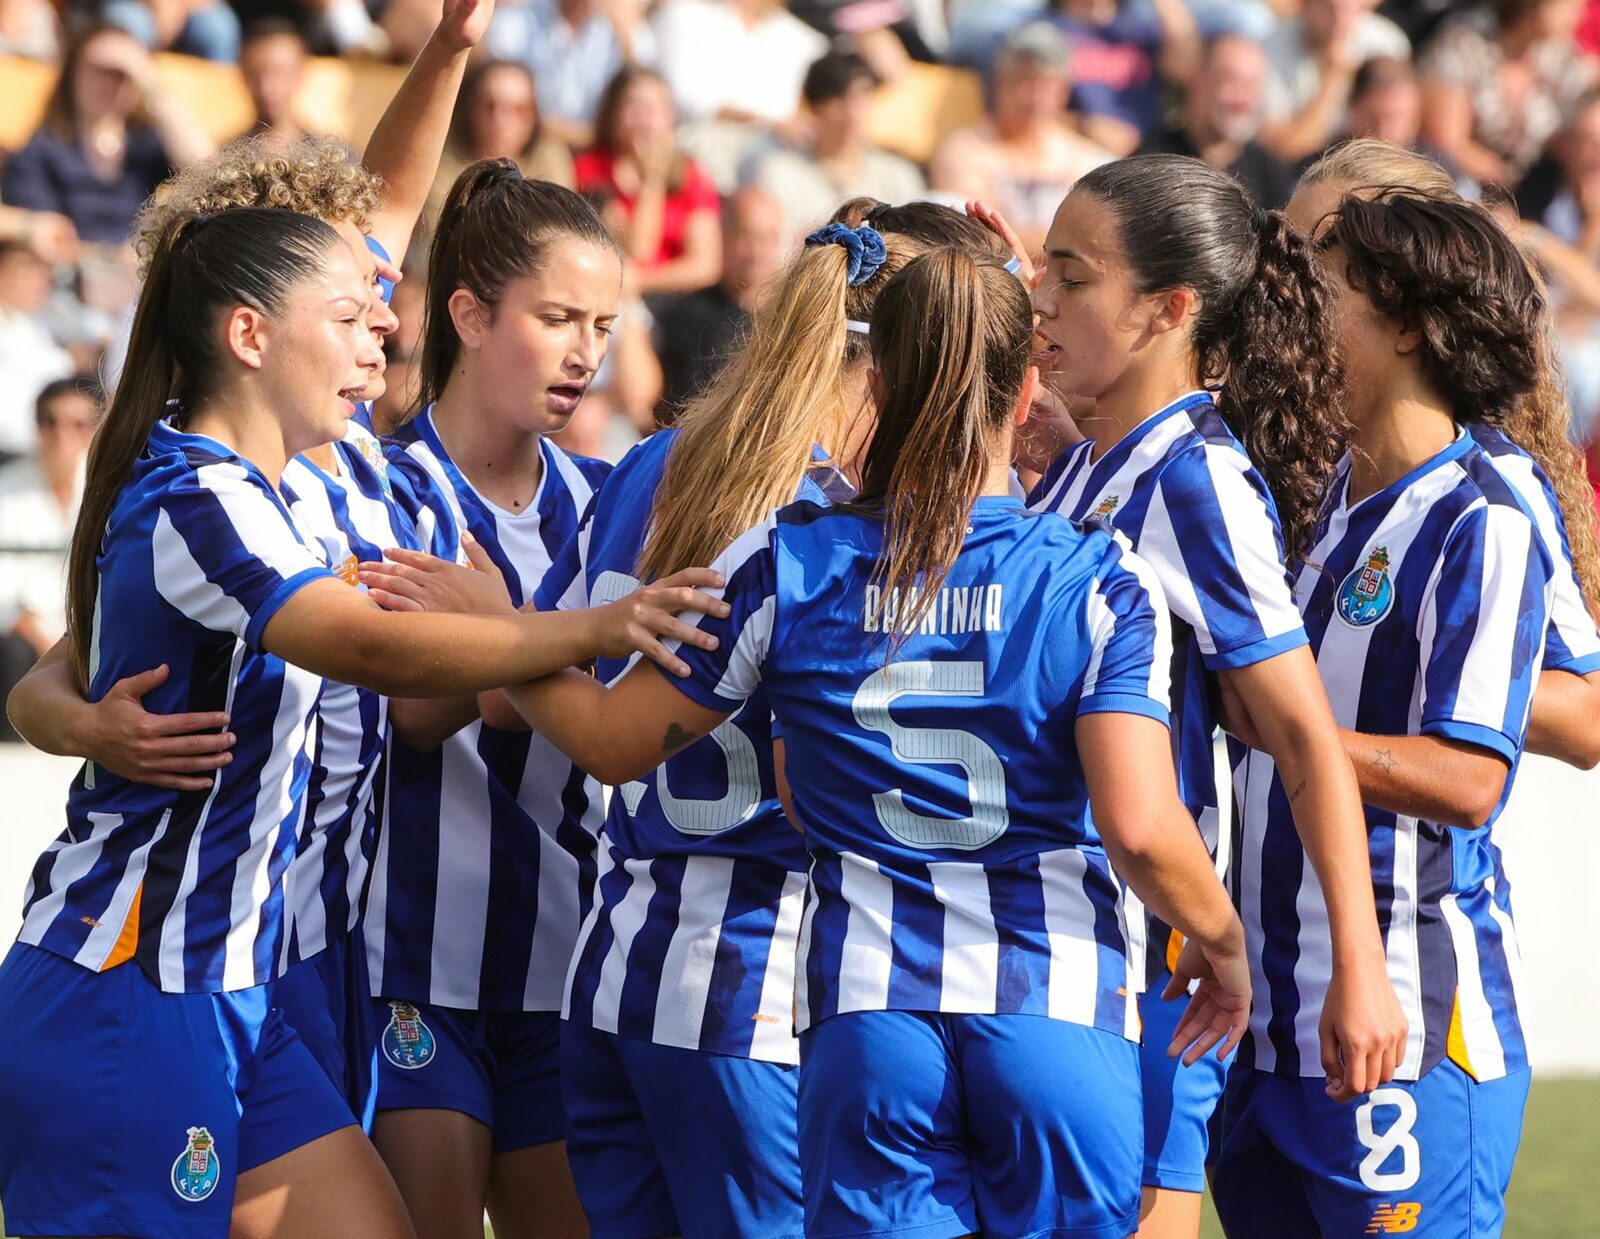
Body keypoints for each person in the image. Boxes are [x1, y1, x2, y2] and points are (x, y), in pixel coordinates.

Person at [462, 244, 1252, 1239]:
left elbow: (621, 747)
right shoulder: (1099, 576)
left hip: (866, 1018)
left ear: (876, 384)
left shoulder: (787, 558)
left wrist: (505, 634)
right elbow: (1139, 827)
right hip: (1052, 1008)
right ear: (1026, 393)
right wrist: (1222, 942)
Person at [0, 206, 723, 1239]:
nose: (382, 335)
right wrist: (591, 627)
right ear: (250, 338)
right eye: (350, 315)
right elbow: (369, 648)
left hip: (243, 985)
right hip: (129, 980)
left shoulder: (302, 492)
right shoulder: (198, 493)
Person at [1029, 153, 1407, 1239]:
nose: (1041, 301)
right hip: (1041, 962)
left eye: (1070, 276)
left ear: (1168, 310)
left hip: (1145, 972)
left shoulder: (1195, 480)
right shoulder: (1079, 460)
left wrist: (1359, 971)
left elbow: (1301, 740)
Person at [1213, 189, 1552, 1239]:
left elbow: (1467, 780)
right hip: (1260, 1031)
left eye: (1325, 289)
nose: (1300, 314)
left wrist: (1283, 727)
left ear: (1408, 323)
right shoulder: (1316, 501)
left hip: (1392, 1020)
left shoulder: (1482, 517)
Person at [357, 159, 625, 1239]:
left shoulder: (607, 501)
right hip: (406, 956)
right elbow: (412, 712)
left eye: (603, 323)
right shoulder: (377, 486)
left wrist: (486, 626)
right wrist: (527, 642)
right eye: (556, 317)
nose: (585, 353)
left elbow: (613, 713)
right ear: (467, 313)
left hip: (564, 958)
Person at [1291, 139, 1600, 773]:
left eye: (1315, 258)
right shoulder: (1317, 450)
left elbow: (1586, 720)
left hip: (1408, 864)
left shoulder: (1490, 487)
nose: (1287, 287)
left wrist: (1402, 657)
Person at [0, 22, 213, 246]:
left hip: (136, 268)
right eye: (97, 70)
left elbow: (204, 170)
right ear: (73, 74)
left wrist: (150, 82)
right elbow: (44, 232)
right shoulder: (44, 148)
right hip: (70, 270)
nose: (108, 84)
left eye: (120, 74)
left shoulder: (146, 144)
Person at [930, 22, 1113, 251]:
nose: (1033, 96)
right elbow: (976, 237)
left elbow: (1102, 239)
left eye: (1045, 84)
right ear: (1000, 82)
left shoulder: (1085, 157)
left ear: (1063, 91)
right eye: (1023, 80)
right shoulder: (966, 150)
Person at [0, 376, 99, 740]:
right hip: (29, 643)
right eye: (51, 422)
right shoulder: (6, 491)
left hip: (92, 633)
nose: (63, 435)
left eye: (78, 423)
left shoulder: (114, 487)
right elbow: (6, 599)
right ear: (37, 428)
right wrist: (58, 649)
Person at [577, 66, 723, 297]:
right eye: (635, 106)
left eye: (656, 108)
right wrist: (652, 181)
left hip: (673, 300)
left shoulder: (692, 175)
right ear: (613, 113)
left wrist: (644, 282)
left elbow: (705, 265)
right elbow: (638, 250)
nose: (646, 118)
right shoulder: (591, 169)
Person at [746, 51, 926, 237]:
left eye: (862, 97)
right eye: (840, 101)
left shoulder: (897, 174)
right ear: (816, 107)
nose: (853, 113)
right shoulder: (780, 173)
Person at [1420, 0, 1595, 186]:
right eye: (1570, 8)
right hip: (1457, 184)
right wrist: (1504, 184)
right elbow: (1447, 145)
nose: (1579, 16)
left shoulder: (1558, 58)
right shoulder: (1465, 47)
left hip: (1528, 191)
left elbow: (1567, 138)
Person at [652, 184, 785, 420]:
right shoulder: (688, 316)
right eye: (747, 237)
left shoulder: (788, 318)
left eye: (767, 239)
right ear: (724, 235)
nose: (757, 252)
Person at [1138, 33, 1298, 211]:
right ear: (1196, 81)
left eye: (1253, 85)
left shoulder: (1267, 168)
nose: (1243, 99)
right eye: (1231, 81)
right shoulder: (1153, 158)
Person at [485, 0, 656, 150]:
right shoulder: (517, 19)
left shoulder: (623, 28)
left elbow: (644, 90)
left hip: (602, 152)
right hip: (534, 147)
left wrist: (624, 33)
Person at [1259, 0, 1410, 164]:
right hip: (1302, 168)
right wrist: (1334, 79)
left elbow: (1396, 127)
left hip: (1369, 160)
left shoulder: (1387, 42)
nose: (1340, 19)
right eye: (1328, 8)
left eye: (1349, 9)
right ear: (1304, 5)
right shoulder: (1268, 53)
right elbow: (1283, 150)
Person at [0, 239, 75, 460]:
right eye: (26, 271)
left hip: (54, 452)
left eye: (43, 271)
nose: (40, 281)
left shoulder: (53, 316)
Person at [238, 18, 315, 151]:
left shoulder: (334, 158)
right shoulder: (226, 159)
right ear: (243, 76)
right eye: (255, 75)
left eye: (278, 73)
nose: (266, 87)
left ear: (299, 74)